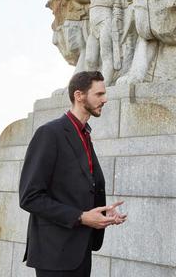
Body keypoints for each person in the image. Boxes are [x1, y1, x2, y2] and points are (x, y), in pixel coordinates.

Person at [19, 71, 127, 276]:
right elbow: (29, 197)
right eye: (99, 94)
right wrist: (82, 217)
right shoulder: (49, 133)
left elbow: (79, 188)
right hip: (55, 255)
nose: (105, 99)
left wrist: (102, 213)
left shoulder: (84, 133)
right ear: (79, 95)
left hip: (81, 248)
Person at [66, 0, 140, 86]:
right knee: (90, 59)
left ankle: (105, 84)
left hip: (106, 23)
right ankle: (90, 85)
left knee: (106, 55)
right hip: (93, 29)